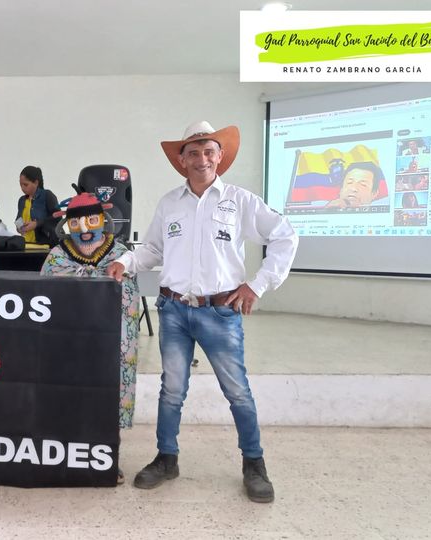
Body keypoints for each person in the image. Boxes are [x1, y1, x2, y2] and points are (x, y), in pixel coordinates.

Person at [107, 121, 298, 503]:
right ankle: (167, 458)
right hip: (173, 310)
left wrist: (257, 285)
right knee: (172, 390)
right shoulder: (170, 203)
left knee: (237, 391)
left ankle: (254, 464)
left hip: (220, 312)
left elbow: (285, 235)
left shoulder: (240, 201)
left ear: (220, 156)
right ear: (182, 160)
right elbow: (154, 250)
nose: (202, 159)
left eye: (209, 151)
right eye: (193, 152)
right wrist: (125, 262)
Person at [40, 192, 139, 484]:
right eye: (77, 223)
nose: (84, 230)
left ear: (103, 220)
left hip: (110, 342)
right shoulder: (57, 255)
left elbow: (129, 296)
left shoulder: (121, 254)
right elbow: (44, 294)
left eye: (91, 221)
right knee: (69, 396)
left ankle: (107, 458)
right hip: (69, 342)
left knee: (106, 396)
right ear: (67, 225)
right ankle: (66, 455)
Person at [15, 165, 60, 246]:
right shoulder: (22, 200)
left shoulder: (47, 195)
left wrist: (37, 224)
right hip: (26, 244)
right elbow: (19, 219)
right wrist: (19, 228)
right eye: (20, 184)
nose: (22, 188)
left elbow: (57, 217)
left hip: (46, 244)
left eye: (25, 185)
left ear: (36, 183)